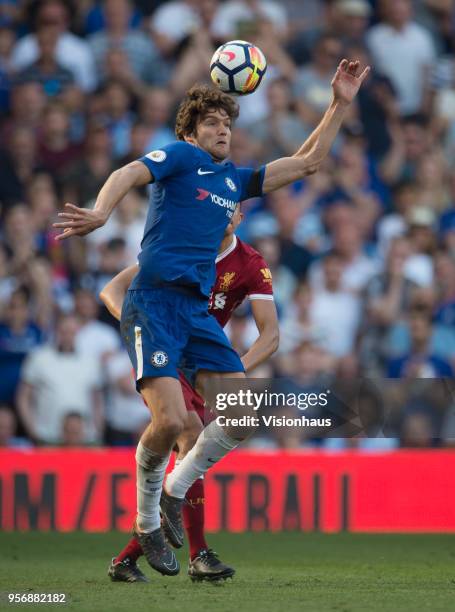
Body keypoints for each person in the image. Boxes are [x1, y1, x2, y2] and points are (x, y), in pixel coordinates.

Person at [53, 61, 369, 577]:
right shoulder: (180, 157)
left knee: (243, 412)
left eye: (228, 122)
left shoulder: (235, 182)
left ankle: (174, 495)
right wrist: (103, 211)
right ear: (190, 131)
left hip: (195, 313)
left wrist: (339, 104)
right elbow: (127, 172)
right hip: (153, 300)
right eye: (212, 122)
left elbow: (308, 162)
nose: (223, 128)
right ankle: (147, 523)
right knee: (174, 421)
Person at [100, 204, 278, 582]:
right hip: (165, 353)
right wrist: (143, 326)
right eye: (220, 205)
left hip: (207, 359)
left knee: (225, 429)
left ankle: (128, 557)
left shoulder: (249, 263)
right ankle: (199, 553)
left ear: (240, 219)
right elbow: (112, 290)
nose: (225, 212)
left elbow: (272, 336)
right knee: (189, 434)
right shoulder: (180, 246)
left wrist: (232, 375)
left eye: (235, 208)